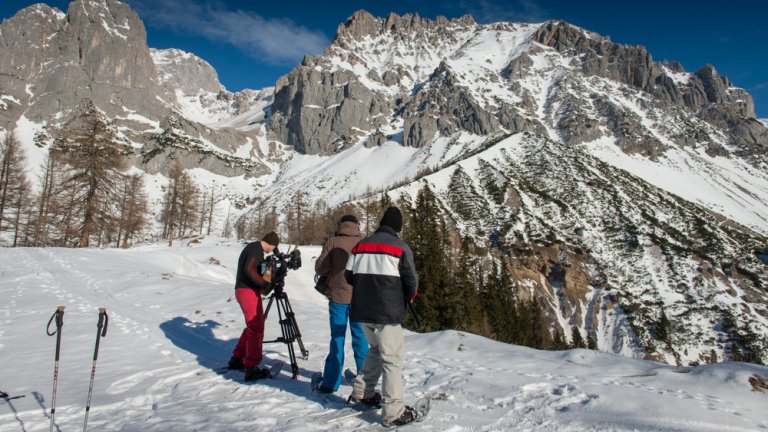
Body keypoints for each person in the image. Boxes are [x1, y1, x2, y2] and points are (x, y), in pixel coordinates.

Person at [346, 206, 419, 427]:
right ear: (397, 227)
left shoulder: (361, 245)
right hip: (387, 313)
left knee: (375, 350)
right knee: (392, 360)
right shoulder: (400, 247)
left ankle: (362, 392)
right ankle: (393, 412)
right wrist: (406, 298)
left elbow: (349, 275)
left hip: (362, 310)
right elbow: (411, 282)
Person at [313, 214, 367, 393]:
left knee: (337, 338)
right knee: (360, 339)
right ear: (356, 226)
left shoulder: (333, 242)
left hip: (338, 296)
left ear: (341, 225)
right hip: (360, 298)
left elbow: (320, 268)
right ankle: (365, 382)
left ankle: (330, 382)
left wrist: (335, 269)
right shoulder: (364, 243)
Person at [228, 231, 280, 381]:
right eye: (274, 247)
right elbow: (249, 269)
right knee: (256, 327)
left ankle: (237, 358)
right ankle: (251, 367)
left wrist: (268, 275)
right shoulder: (255, 249)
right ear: (271, 244)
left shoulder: (256, 250)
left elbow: (255, 271)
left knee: (253, 326)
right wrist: (263, 282)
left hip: (247, 290)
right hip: (247, 291)